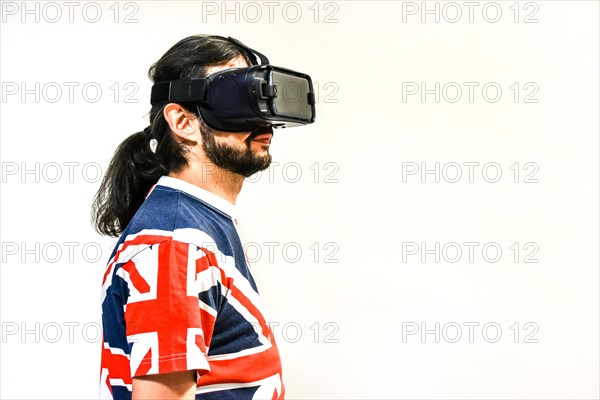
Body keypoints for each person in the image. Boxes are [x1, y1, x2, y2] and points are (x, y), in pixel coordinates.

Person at [92, 35, 290, 400]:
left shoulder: (199, 224)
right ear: (182, 121)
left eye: (260, 93)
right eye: (236, 98)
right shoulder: (176, 244)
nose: (262, 118)